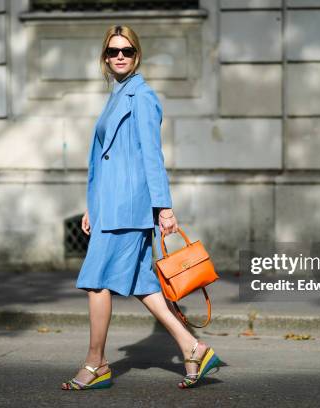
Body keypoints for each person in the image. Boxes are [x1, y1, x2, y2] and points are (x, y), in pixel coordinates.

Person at [61, 25, 220, 391]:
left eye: (127, 51)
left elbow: (152, 156)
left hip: (129, 207)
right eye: (113, 51)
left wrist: (164, 207)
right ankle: (192, 347)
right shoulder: (117, 94)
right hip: (111, 206)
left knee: (96, 281)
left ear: (137, 55)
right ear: (104, 57)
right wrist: (93, 206)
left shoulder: (142, 96)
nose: (120, 56)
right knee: (141, 284)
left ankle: (96, 362)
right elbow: (108, 159)